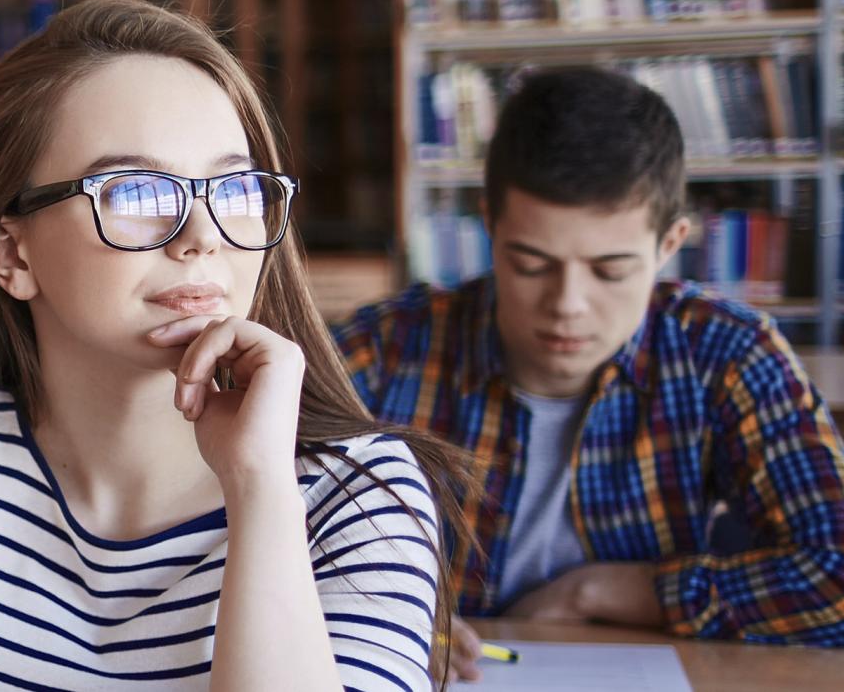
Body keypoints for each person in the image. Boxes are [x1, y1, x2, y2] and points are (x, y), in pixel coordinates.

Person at [0, 0, 473, 691]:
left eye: (234, 189)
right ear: (14, 254)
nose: (202, 236)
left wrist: (259, 488)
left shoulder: (363, 494)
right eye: (134, 193)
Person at [337, 66, 844, 676]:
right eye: (530, 263)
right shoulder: (381, 352)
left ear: (670, 244)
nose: (567, 304)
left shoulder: (725, 353)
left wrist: (606, 590)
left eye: (610, 271)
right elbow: (227, 540)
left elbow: (834, 569)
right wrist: (379, 611)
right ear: (488, 226)